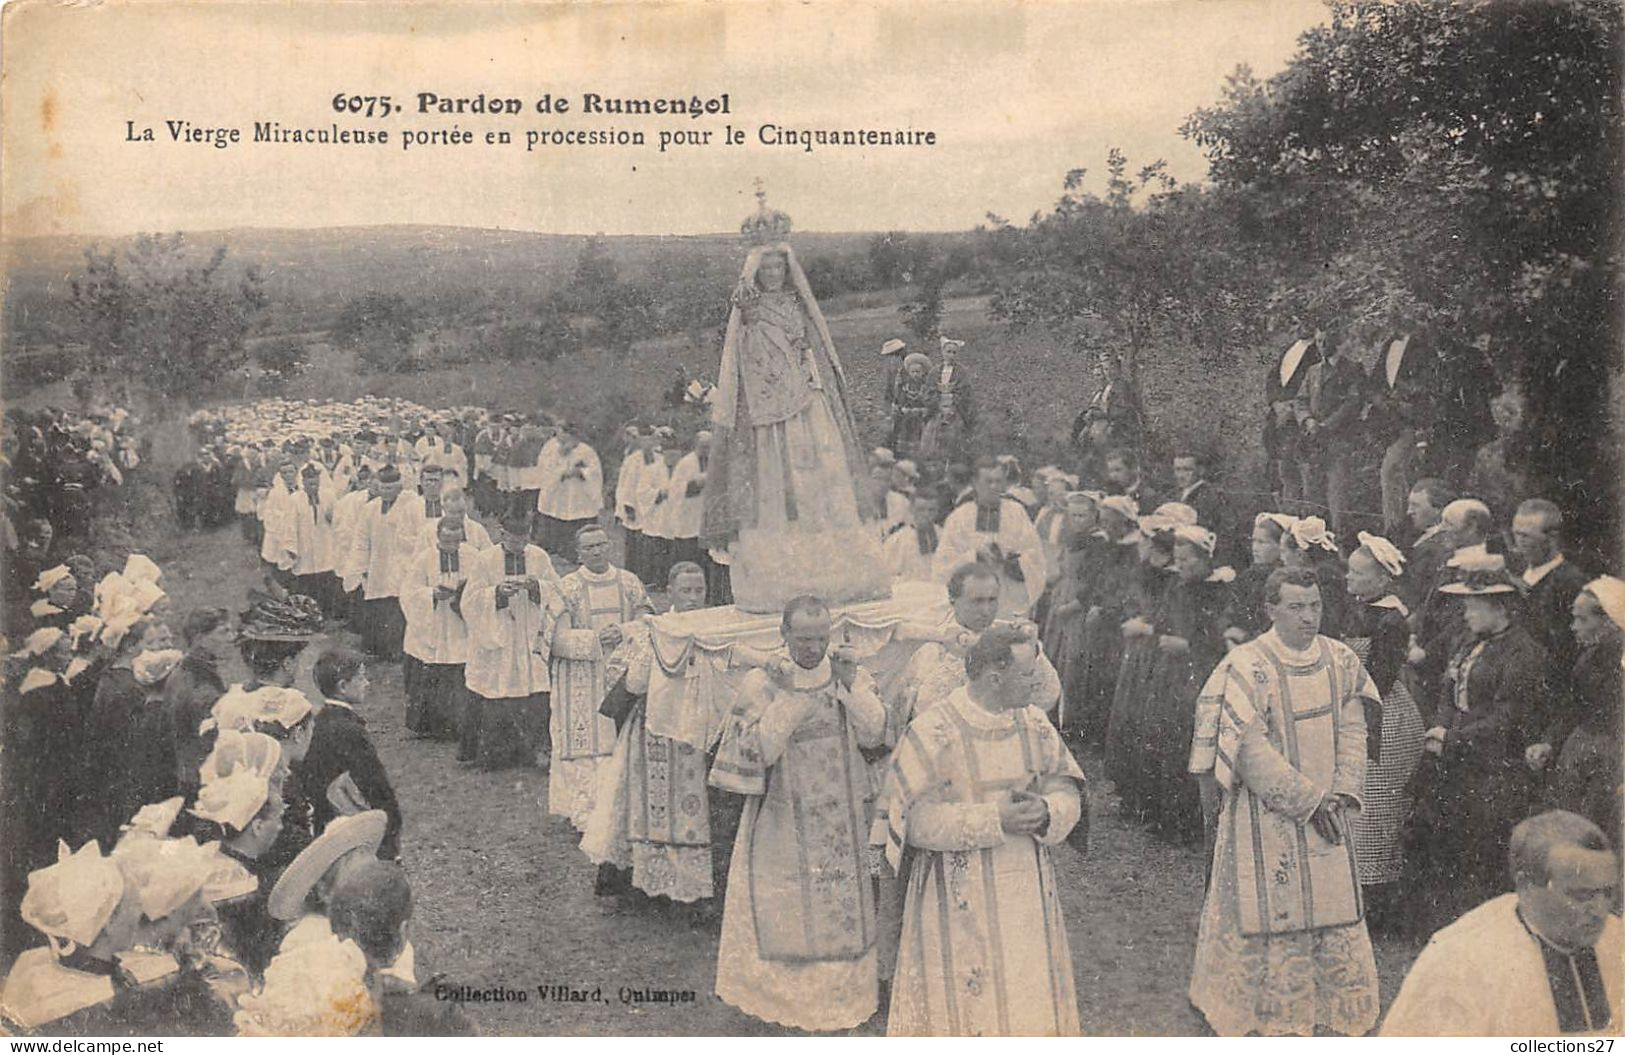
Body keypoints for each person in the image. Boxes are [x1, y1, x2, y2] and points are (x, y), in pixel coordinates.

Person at [1187, 566, 1380, 1037]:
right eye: (1296, 607)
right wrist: (1308, 802)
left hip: (1332, 811)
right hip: (1268, 813)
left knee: (1331, 909)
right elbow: (1247, 748)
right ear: (1270, 608)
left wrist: (1343, 790)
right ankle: (1267, 1014)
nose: (1308, 617)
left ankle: (1333, 1009)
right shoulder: (1247, 665)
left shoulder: (1341, 659)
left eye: (1314, 605)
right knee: (1269, 906)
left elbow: (1355, 726)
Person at [881, 626, 1087, 1036]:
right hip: (955, 899)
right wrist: (996, 820)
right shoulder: (934, 729)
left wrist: (1048, 811)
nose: (1038, 682)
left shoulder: (1034, 724)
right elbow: (912, 821)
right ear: (995, 676)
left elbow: (1068, 788)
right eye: (1028, 674)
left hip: (1026, 894)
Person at [702, 196, 886, 614]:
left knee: (822, 468)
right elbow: (743, 349)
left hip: (807, 397)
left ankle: (835, 560)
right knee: (776, 477)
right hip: (769, 408)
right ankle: (780, 566)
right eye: (765, 267)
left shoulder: (797, 305)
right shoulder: (748, 306)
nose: (772, 273)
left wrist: (807, 368)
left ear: (787, 269)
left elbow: (812, 348)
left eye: (777, 267)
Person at [710, 596, 886, 1031]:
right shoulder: (762, 682)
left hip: (843, 812)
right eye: (804, 638)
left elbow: (876, 731)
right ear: (783, 635)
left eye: (821, 637)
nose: (814, 648)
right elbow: (758, 751)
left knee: (842, 902)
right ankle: (788, 1001)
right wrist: (788, 700)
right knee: (786, 903)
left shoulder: (847, 672)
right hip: (782, 813)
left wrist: (851, 688)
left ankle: (844, 996)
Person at [1402, 553, 1552, 937]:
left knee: (1483, 850)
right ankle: (1446, 930)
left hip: (1493, 769)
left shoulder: (1523, 653)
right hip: (1454, 759)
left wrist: (1452, 738)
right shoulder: (1470, 641)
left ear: (1498, 607)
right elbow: (1448, 692)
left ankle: (1489, 935)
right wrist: (1439, 728)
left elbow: (1508, 718)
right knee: (1442, 842)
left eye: (1473, 606)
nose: (1466, 614)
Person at [1381, 811, 1620, 1036]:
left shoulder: (1616, 937)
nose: (1600, 911)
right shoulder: (1461, 961)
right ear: (1526, 885)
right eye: (1581, 895)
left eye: (1607, 893)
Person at [580, 562, 716, 911]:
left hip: (697, 732)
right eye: (685, 590)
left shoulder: (714, 629)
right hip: (652, 731)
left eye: (698, 590)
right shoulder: (652, 629)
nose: (692, 597)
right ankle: (637, 886)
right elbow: (633, 681)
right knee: (639, 805)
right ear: (669, 592)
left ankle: (690, 893)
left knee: (693, 811)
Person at [544, 524, 653, 830]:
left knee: (623, 741)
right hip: (582, 676)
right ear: (578, 553)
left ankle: (626, 811)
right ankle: (586, 813)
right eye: (588, 547)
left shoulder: (629, 582)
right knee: (588, 744)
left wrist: (624, 631)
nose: (596, 552)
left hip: (624, 673)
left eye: (601, 545)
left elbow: (648, 621)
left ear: (609, 547)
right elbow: (556, 638)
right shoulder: (567, 588)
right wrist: (594, 640)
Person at [1340, 532, 1427, 915]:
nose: (1349, 580)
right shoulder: (1359, 609)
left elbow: (1380, 677)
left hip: (1381, 716)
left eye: (1357, 574)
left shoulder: (1391, 621)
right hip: (1356, 706)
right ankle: (1354, 889)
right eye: (1349, 573)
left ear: (1381, 580)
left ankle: (1379, 900)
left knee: (1377, 803)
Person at [462, 506, 559, 770]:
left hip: (529, 631)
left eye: (525, 537)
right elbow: (469, 600)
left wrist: (536, 587)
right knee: (497, 685)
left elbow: (557, 590)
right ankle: (495, 755)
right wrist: (497, 593)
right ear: (502, 534)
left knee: (534, 686)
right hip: (500, 633)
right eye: (514, 538)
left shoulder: (538, 557)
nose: (520, 543)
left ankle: (535, 751)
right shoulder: (485, 560)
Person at [1528, 577, 1624, 839]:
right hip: (1583, 751)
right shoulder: (1590, 656)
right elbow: (1574, 707)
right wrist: (1549, 742)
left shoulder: (1613, 658)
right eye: (1574, 618)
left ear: (1610, 622)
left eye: (1583, 620)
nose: (1574, 627)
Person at [933, 457, 1045, 619]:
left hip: (1009, 598)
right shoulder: (960, 516)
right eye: (988, 481)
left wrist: (1015, 563)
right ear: (975, 483)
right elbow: (943, 563)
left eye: (998, 481)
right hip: (972, 598)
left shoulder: (1017, 513)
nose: (994, 487)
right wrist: (974, 557)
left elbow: (1035, 556)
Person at [399, 516, 475, 741]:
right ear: (438, 537)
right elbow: (409, 590)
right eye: (447, 541)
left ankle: (457, 725)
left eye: (456, 541)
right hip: (432, 623)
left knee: (458, 671)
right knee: (430, 669)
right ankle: (429, 725)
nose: (452, 546)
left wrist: (463, 593)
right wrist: (431, 594)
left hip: (459, 623)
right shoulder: (424, 559)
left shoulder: (473, 557)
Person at [1292, 323, 1366, 535]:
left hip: (1339, 441)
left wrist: (1327, 425)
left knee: (1338, 496)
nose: (1322, 346)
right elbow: (1300, 400)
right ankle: (1313, 544)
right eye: (1318, 341)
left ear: (1338, 342)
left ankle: (1340, 543)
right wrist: (1308, 421)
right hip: (1312, 441)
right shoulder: (1313, 371)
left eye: (1326, 341)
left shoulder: (1352, 369)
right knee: (1312, 495)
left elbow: (1353, 403)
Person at [1511, 499, 1591, 676]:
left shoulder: (1572, 583)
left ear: (1552, 537)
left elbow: (1567, 650)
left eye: (1526, 536)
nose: (1518, 542)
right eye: (1516, 534)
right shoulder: (1514, 571)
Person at [343, 465, 412, 659]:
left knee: (398, 607)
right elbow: (361, 539)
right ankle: (377, 648)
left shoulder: (410, 506)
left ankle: (397, 650)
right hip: (377, 565)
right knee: (377, 606)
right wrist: (360, 565)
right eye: (384, 488)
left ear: (399, 488)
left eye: (391, 488)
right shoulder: (370, 509)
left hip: (401, 564)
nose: (387, 492)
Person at [535, 422, 602, 555]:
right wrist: (561, 473)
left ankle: (576, 551)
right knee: (556, 516)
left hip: (579, 492)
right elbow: (544, 469)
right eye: (558, 433)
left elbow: (595, 472)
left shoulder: (585, 450)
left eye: (563, 433)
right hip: (558, 491)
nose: (559, 437)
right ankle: (555, 548)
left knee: (578, 519)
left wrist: (582, 472)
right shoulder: (550, 448)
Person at [919, 336, 975, 466]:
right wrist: (936, 402)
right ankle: (931, 463)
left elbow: (965, 392)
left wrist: (953, 402)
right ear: (942, 352)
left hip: (954, 409)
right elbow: (928, 390)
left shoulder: (962, 372)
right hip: (937, 408)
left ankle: (953, 464)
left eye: (954, 352)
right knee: (931, 433)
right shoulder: (934, 371)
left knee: (955, 434)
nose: (951, 355)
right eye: (948, 352)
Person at [881, 488, 940, 584]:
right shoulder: (897, 540)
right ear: (911, 509)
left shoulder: (943, 534)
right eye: (921, 509)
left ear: (937, 510)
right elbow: (887, 575)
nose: (926, 514)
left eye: (931, 510)